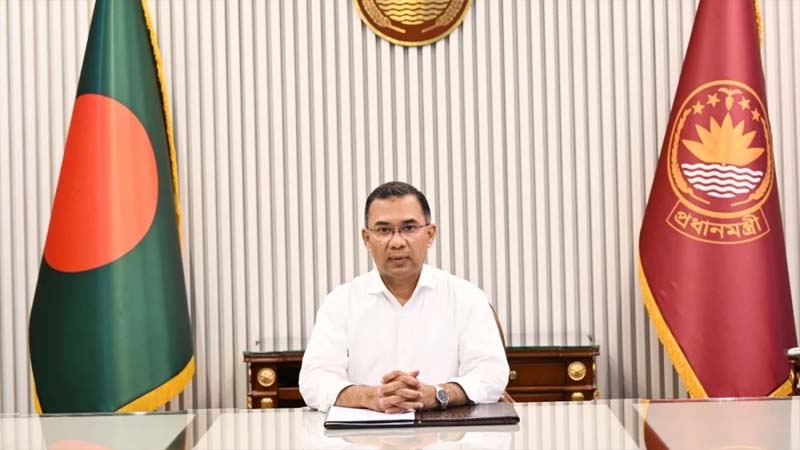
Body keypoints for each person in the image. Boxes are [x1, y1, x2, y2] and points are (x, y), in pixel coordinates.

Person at [298, 181, 509, 413]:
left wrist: (437, 394)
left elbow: (491, 374)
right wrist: (372, 397)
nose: (397, 242)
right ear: (366, 239)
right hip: (364, 432)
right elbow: (314, 380)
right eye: (384, 230)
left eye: (409, 228)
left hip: (446, 430)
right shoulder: (340, 302)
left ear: (430, 234)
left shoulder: (466, 297)